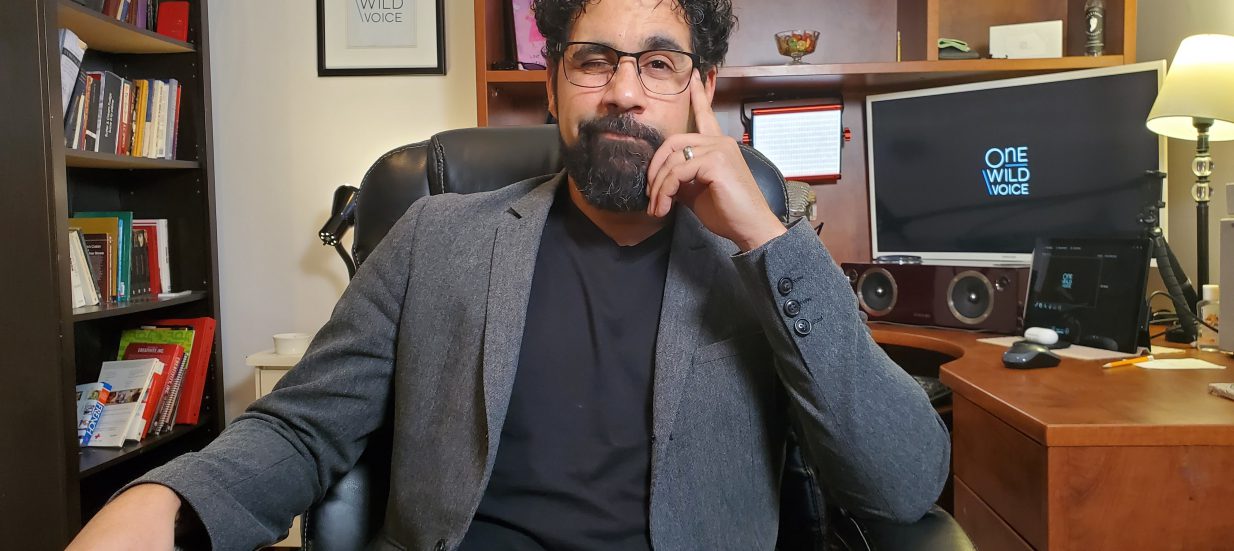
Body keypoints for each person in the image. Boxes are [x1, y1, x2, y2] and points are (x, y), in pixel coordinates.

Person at [68, 0, 949, 549]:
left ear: (699, 88)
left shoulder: (762, 262)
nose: (623, 93)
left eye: (658, 62)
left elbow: (902, 480)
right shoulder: (436, 235)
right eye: (593, 60)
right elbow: (300, 431)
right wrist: (163, 508)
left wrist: (764, 235)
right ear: (555, 83)